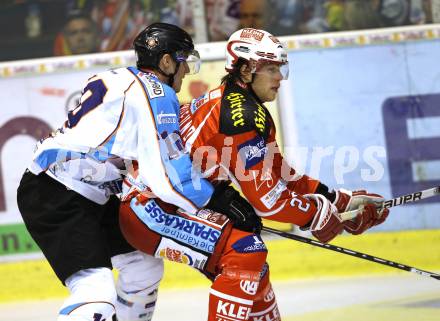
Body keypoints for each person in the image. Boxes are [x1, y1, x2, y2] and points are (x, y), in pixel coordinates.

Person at [118, 28, 390, 321]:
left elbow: (282, 174)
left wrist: (338, 200)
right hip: (146, 209)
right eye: (271, 68)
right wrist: (314, 216)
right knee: (246, 250)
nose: (280, 78)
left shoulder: (244, 107)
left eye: (281, 68)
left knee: (252, 267)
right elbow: (268, 201)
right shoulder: (240, 116)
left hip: (162, 204)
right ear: (246, 69)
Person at [17, 22, 256, 321]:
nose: (185, 73)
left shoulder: (118, 78)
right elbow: (170, 174)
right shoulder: (157, 93)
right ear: (166, 62)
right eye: (184, 62)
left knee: (143, 269)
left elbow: (141, 164)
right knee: (96, 297)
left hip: (87, 192)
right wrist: (220, 199)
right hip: (56, 195)